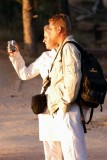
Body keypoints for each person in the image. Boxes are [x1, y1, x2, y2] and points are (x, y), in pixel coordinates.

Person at [7, 26, 64, 159]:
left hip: (64, 106)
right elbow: (25, 74)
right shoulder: (45, 56)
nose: (43, 40)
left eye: (46, 36)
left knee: (66, 147)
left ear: (56, 36)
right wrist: (15, 56)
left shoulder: (68, 54)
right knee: (49, 148)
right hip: (46, 107)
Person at [44, 14, 88, 160]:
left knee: (73, 153)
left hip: (69, 109)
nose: (49, 32)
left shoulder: (68, 48)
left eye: (51, 28)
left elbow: (73, 79)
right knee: (71, 151)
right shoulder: (65, 47)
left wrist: (64, 104)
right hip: (67, 108)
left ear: (59, 29)